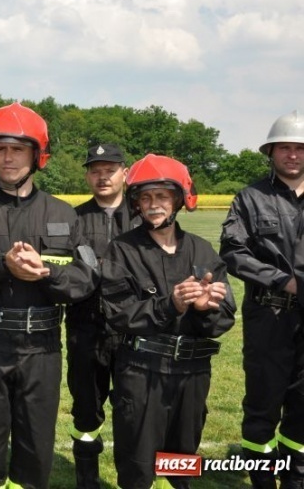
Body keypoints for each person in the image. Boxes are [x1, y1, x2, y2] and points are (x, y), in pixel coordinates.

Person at [0, 102, 97, 489]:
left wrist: (47, 275)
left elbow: (86, 277)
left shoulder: (64, 214)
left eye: (18, 149)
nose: (8, 159)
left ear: (37, 155)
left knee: (35, 451)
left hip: (42, 349)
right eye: (0, 149)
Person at [101, 154, 235, 489]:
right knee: (138, 462)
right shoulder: (122, 250)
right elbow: (117, 312)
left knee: (182, 459)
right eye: (145, 197)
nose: (153, 204)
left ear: (178, 199)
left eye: (161, 196)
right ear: (136, 204)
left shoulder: (203, 251)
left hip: (193, 371)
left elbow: (226, 316)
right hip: (141, 369)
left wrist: (206, 309)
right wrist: (170, 304)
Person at [221, 111, 304, 488]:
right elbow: (233, 252)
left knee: (303, 406)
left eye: (300, 148)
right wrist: (283, 281)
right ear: (270, 152)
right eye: (284, 147)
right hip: (270, 314)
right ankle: (261, 479)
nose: (293, 155)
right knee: (263, 403)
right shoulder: (251, 198)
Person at [66, 143, 139, 488]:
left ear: (125, 173)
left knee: (134, 410)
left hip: (135, 332)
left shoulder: (143, 217)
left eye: (109, 170)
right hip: (86, 328)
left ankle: (133, 478)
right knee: (85, 410)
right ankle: (87, 480)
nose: (102, 176)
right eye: (95, 170)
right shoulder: (73, 219)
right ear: (87, 175)